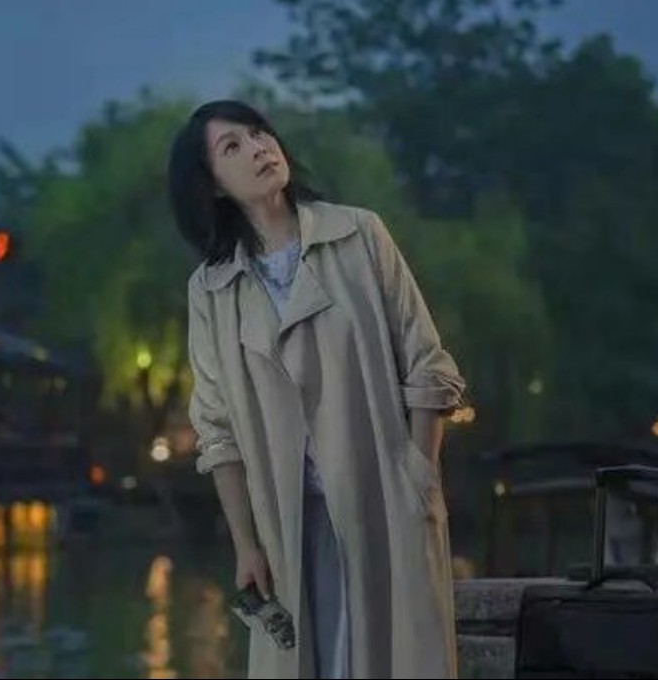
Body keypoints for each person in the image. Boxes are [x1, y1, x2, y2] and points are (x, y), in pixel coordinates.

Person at [168, 99, 466, 679]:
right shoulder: (211, 289)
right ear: (214, 186)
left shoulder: (359, 234)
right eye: (233, 146)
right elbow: (217, 430)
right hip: (289, 519)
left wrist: (418, 474)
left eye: (259, 133)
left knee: (397, 656)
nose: (259, 148)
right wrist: (246, 545)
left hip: (384, 497)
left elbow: (427, 364)